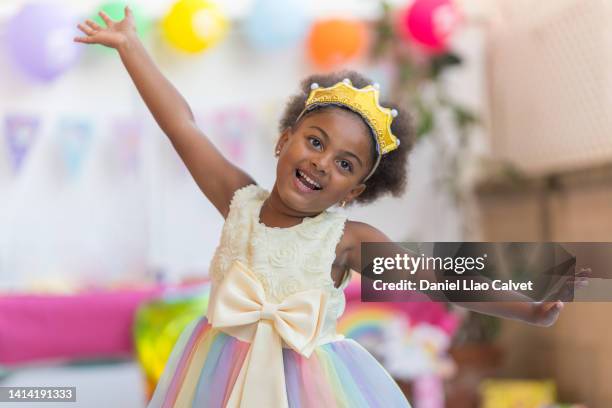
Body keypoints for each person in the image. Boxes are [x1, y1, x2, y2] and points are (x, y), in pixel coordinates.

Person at [74, 7, 583, 407]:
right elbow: (182, 126)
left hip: (308, 386)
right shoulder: (238, 200)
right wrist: (131, 46)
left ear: (354, 191)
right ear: (284, 139)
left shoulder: (346, 239)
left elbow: (440, 278)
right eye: (315, 143)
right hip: (219, 374)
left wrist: (528, 307)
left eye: (344, 165)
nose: (321, 164)